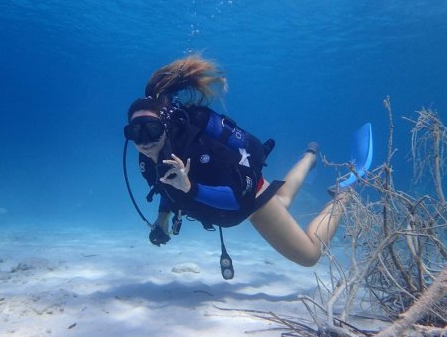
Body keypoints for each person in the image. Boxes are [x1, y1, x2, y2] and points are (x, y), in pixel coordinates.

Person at [124, 55, 348, 270]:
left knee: (309, 256)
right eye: (135, 132)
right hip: (243, 199)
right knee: (282, 198)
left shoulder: (194, 149)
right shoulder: (148, 157)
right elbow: (166, 186)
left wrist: (190, 188)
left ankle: (342, 198)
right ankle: (309, 156)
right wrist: (162, 218)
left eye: (152, 130)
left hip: (251, 200)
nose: (145, 141)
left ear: (164, 125)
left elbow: (233, 201)